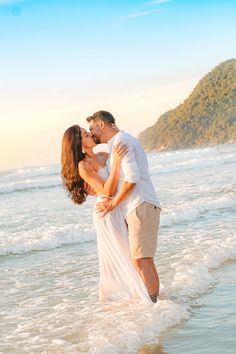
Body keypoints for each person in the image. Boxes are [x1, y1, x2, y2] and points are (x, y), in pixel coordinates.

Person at [61, 125, 151, 304]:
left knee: (131, 252)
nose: (90, 134)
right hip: (106, 212)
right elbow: (107, 190)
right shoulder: (83, 166)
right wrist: (117, 163)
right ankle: (133, 299)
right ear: (79, 143)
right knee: (123, 253)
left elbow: (121, 180)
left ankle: (141, 294)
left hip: (117, 207)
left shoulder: (103, 155)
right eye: (85, 134)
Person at [87, 111, 161, 303]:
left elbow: (131, 179)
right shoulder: (117, 143)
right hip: (138, 206)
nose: (91, 132)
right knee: (143, 260)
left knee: (141, 260)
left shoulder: (121, 141)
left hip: (140, 204)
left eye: (92, 128)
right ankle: (156, 303)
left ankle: (154, 306)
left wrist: (113, 203)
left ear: (102, 124)